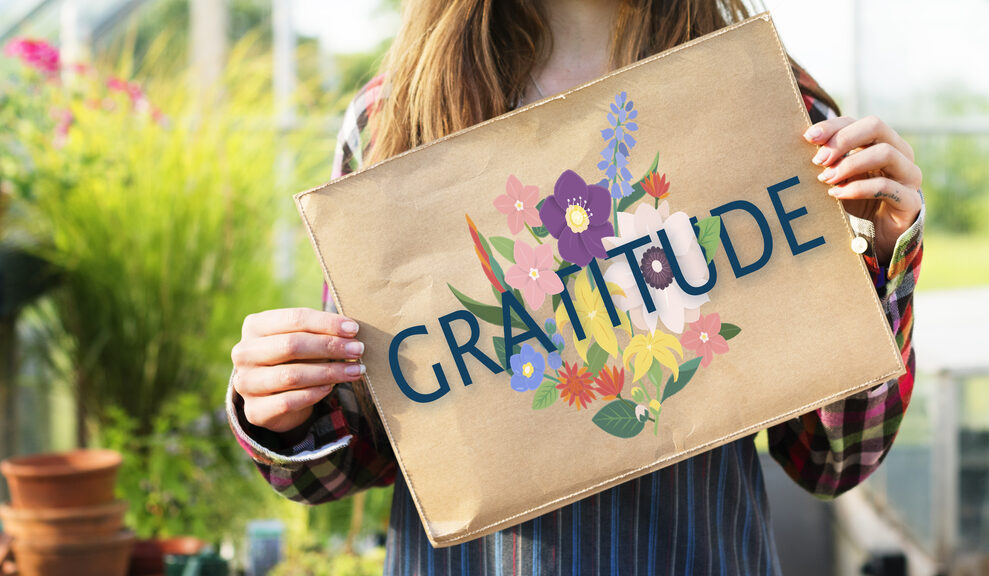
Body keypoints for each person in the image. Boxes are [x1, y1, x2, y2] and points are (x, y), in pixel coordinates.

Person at [227, 0, 924, 573]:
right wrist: (285, 402)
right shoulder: (394, 120)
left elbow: (832, 459)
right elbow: (370, 449)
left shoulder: (762, 96)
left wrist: (884, 254)